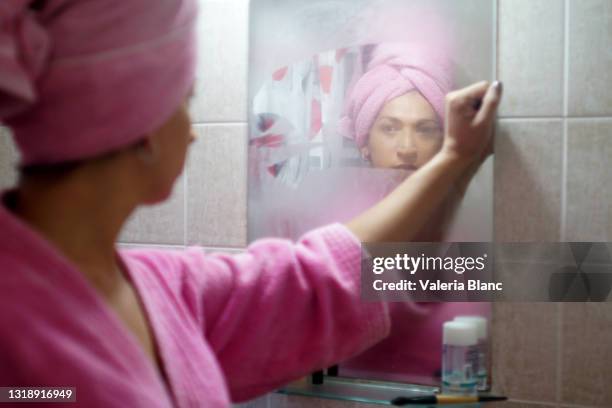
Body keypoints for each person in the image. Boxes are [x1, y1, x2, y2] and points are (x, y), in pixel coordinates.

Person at [0, 1, 501, 407]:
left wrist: (453, 158)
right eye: (185, 102)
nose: (194, 132)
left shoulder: (164, 290)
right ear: (142, 128)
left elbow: (314, 280)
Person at [337, 43, 492, 384]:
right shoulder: (334, 224)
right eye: (390, 128)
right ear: (364, 141)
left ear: (444, 139)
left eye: (425, 129)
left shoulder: (476, 223)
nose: (407, 148)